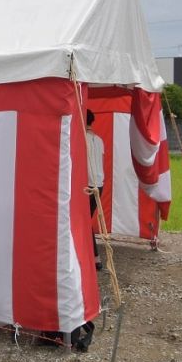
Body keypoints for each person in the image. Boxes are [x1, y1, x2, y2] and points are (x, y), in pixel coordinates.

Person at [85, 110, 105, 271]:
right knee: (86, 221)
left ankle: (95, 258)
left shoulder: (80, 138)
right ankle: (92, 256)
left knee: (84, 222)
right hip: (99, 184)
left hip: (88, 186)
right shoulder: (99, 140)